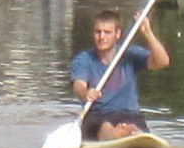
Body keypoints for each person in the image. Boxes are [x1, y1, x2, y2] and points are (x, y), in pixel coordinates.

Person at [71, 9, 170, 141]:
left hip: (129, 115)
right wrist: (86, 94)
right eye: (98, 32)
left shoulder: (130, 54)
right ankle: (115, 138)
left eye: (107, 32)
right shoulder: (84, 59)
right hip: (98, 116)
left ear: (117, 34)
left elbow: (163, 62)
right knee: (106, 126)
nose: (101, 37)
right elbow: (78, 85)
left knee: (133, 127)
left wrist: (147, 33)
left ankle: (134, 136)